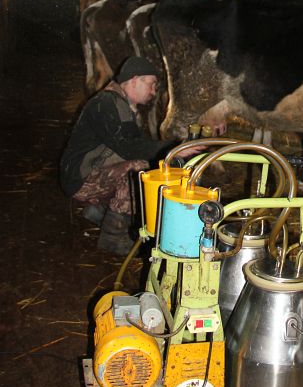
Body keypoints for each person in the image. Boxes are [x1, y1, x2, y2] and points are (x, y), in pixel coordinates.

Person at [60, 56, 204, 255]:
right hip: (78, 179)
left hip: (87, 173)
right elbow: (130, 148)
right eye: (152, 84)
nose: (154, 92)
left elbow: (134, 147)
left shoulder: (121, 105)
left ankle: (99, 213)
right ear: (135, 80)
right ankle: (113, 238)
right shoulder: (108, 102)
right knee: (139, 170)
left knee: (143, 165)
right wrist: (173, 148)